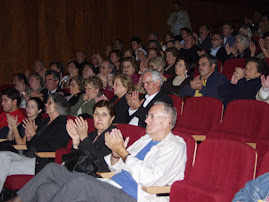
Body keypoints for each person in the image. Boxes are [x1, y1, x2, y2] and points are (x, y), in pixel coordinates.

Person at [10, 101, 187, 202]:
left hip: (133, 196)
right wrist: (117, 155)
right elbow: (115, 167)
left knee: (79, 181)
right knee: (48, 184)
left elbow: (149, 179)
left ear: (166, 121)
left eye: (151, 116)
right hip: (111, 185)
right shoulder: (145, 139)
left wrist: (123, 153)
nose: (146, 119)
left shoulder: (175, 146)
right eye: (147, 115)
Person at [0, 93, 70, 191]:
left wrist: (33, 135)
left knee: (4, 166)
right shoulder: (46, 122)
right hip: (29, 156)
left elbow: (51, 148)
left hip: (42, 161)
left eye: (49, 103)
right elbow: (32, 144)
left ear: (58, 106)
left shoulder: (62, 124)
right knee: (2, 156)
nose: (46, 104)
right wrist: (29, 138)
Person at [67, 100, 116, 172]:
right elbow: (74, 162)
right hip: (79, 174)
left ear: (111, 118)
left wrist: (84, 137)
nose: (99, 118)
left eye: (104, 115)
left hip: (95, 178)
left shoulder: (114, 137)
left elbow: (99, 165)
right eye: (96, 114)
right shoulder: (92, 135)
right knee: (52, 167)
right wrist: (76, 140)